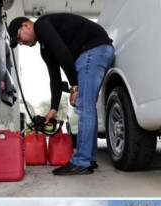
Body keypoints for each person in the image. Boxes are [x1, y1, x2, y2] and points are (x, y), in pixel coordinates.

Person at [8, 14, 115, 176]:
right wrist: (53, 108)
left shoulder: (42, 25)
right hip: (98, 51)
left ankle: (82, 162)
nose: (22, 43)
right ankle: (89, 159)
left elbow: (64, 54)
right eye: (19, 43)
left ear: (26, 25)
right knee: (87, 106)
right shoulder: (45, 48)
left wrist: (75, 87)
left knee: (84, 107)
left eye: (19, 38)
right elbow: (55, 78)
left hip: (93, 51)